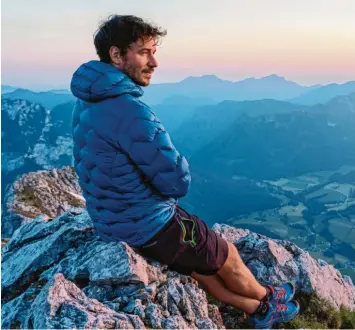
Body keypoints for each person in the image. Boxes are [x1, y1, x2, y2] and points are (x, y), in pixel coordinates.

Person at [70, 14, 300, 328]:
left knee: (197, 266)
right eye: (145, 52)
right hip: (149, 224)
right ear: (116, 55)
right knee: (225, 254)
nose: (154, 62)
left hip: (111, 222)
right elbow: (178, 183)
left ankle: (255, 309)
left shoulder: (86, 101)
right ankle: (268, 298)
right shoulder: (131, 111)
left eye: (154, 51)